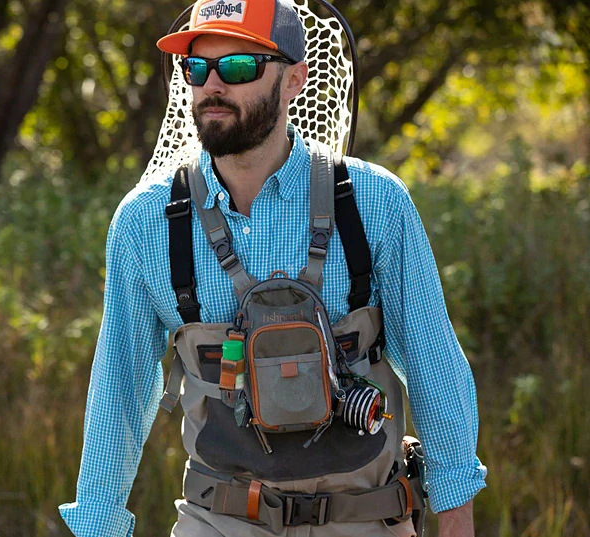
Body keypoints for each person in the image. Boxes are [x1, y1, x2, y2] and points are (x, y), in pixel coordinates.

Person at [58, 0, 487, 535]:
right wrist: (97, 523)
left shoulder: (375, 202)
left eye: (238, 67)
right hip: (219, 518)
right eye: (196, 68)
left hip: (368, 514)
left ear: (294, 82)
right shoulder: (144, 222)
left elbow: (434, 365)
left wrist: (455, 514)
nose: (212, 85)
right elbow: (120, 386)